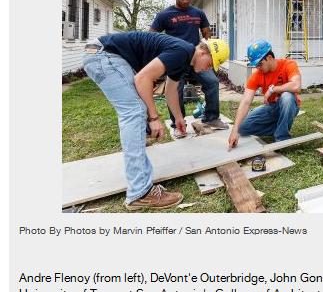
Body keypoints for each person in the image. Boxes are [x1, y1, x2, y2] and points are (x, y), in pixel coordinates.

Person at [83, 31, 228, 210]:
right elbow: (142, 78)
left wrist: (178, 118)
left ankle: (138, 150)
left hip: (100, 54)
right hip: (103, 55)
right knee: (135, 111)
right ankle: (140, 192)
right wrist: (153, 118)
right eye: (210, 64)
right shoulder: (182, 51)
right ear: (203, 53)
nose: (209, 69)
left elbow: (170, 91)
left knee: (134, 109)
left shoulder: (184, 59)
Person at [151, 0, 228, 135]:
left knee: (212, 81)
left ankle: (211, 118)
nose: (186, 1)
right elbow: (153, 35)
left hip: (196, 57)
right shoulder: (164, 15)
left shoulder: (198, 12)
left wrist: (210, 54)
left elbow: (207, 34)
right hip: (176, 59)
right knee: (175, 89)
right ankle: (178, 124)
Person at [228, 41, 301, 150]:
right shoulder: (256, 75)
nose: (257, 67)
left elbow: (296, 86)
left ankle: (282, 138)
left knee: (287, 97)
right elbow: (245, 102)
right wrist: (234, 130)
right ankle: (278, 127)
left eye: (259, 64)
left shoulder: (288, 64)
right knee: (242, 128)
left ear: (269, 57)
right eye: (255, 65)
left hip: (289, 105)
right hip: (271, 107)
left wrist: (273, 89)